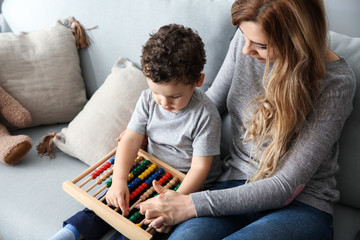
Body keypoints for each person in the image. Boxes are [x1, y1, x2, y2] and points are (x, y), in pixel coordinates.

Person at [137, 0, 356, 239]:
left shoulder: (336, 83)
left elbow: (284, 186)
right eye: (243, 36)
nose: (245, 49)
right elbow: (207, 106)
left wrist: (190, 205)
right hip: (232, 185)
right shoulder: (245, 41)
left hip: (300, 205)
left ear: (296, 41)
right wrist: (153, 129)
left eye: (261, 45)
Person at [49, 24, 222, 240]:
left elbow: (200, 168)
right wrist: (119, 180)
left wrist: (175, 199)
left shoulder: (205, 115)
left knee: (149, 224)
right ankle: (71, 233)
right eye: (157, 92)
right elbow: (130, 139)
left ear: (198, 81)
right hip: (151, 168)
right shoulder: (148, 99)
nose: (164, 103)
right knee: (111, 201)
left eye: (175, 97)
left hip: (185, 183)